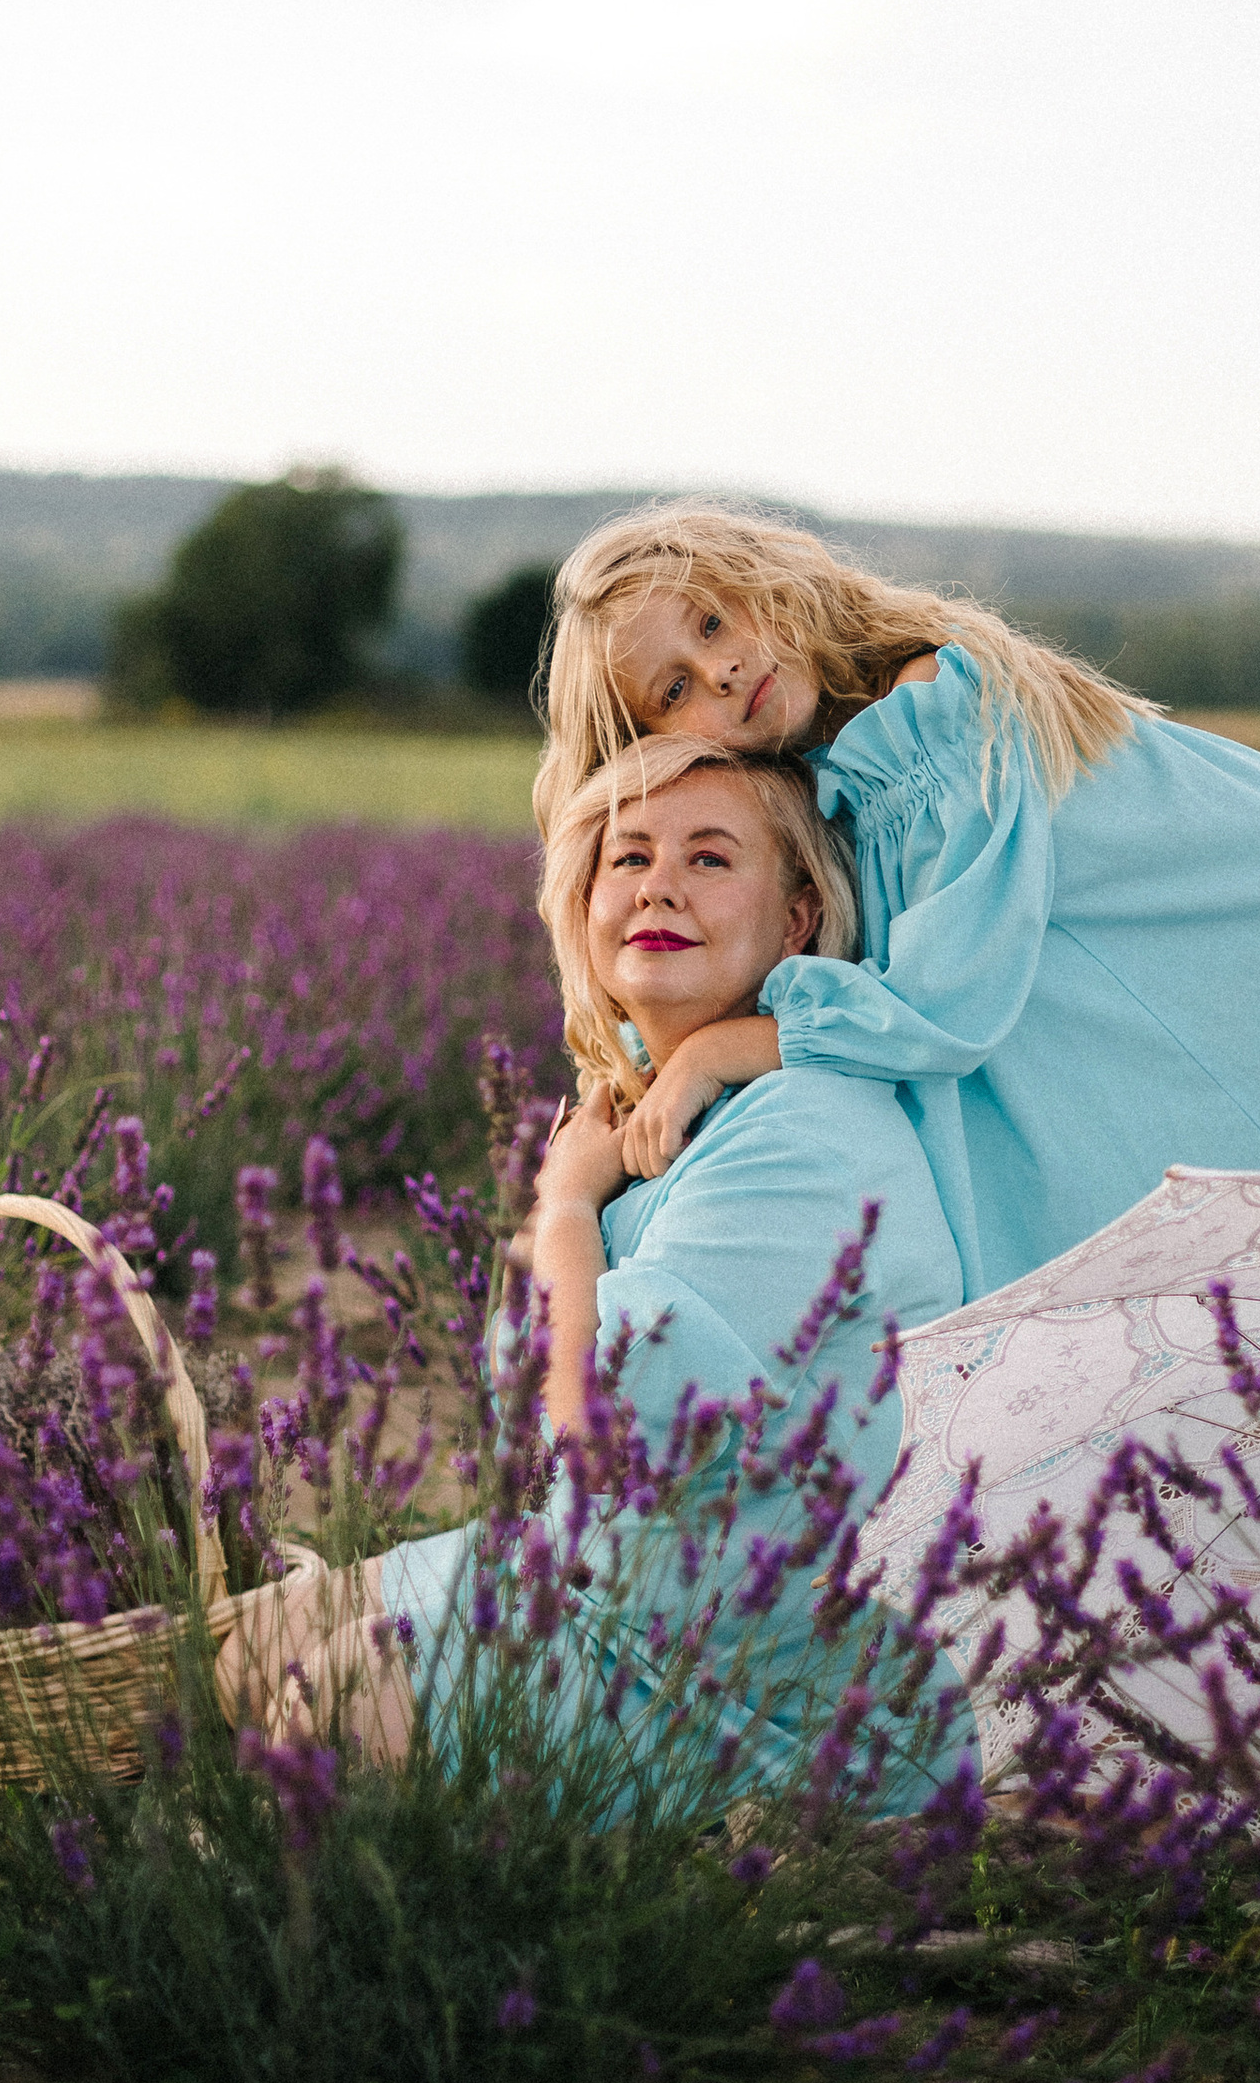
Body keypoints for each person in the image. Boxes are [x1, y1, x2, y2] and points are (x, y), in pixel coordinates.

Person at [536, 500, 1260, 1300]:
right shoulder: (842, 761)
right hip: (1240, 947)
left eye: (713, 621)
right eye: (673, 691)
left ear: (762, 583)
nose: (721, 670)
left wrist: (710, 1053)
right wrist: (640, 1064)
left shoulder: (928, 707)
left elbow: (939, 1006)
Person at [219, 738, 963, 1777]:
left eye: (710, 859)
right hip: (596, 1561)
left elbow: (585, 1420)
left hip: (728, 1651)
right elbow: (523, 1373)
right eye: (629, 857)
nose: (660, 884)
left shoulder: (799, 1126)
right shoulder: (658, 1101)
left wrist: (563, 1205)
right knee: (243, 1654)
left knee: (332, 1704)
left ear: (796, 918)